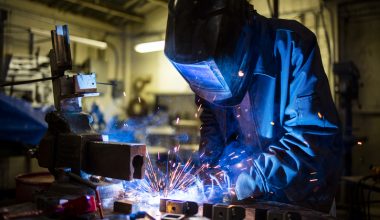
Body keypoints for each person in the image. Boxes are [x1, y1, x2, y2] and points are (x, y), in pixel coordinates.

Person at [164, 0, 342, 213]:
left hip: (300, 202)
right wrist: (208, 169)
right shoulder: (204, 61)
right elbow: (211, 122)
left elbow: (311, 136)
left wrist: (242, 180)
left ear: (239, 38)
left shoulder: (293, 45)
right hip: (241, 202)